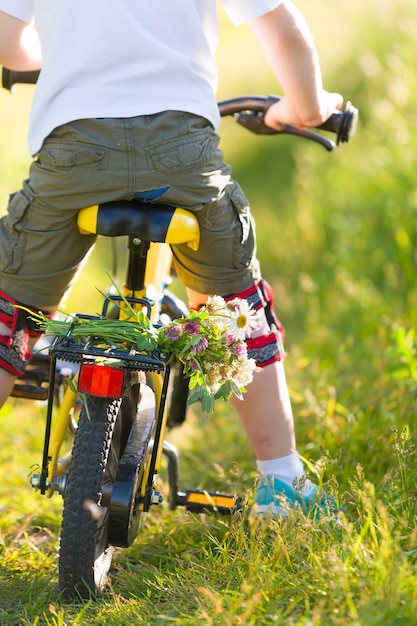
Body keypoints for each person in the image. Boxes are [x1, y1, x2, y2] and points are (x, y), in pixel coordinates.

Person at [0, 1, 342, 517]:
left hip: (73, 156)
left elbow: (7, 41)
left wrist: (72, 56)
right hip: (183, 153)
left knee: (11, 310)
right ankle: (282, 481)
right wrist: (306, 109)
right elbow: (281, 26)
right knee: (232, 312)